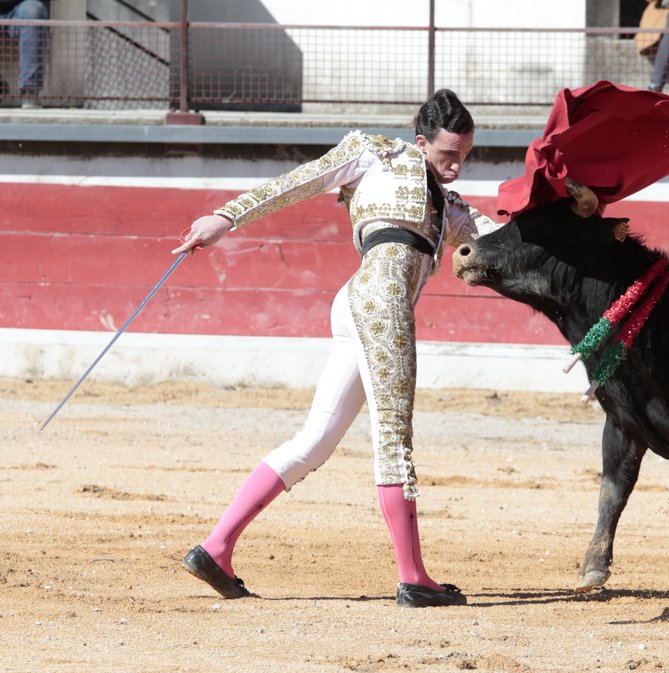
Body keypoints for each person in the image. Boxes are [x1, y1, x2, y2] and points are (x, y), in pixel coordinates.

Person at [173, 89, 501, 608]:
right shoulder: (376, 152)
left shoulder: (451, 206)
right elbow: (298, 181)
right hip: (382, 303)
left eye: (464, 155)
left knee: (316, 441)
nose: (457, 166)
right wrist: (224, 218)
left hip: (358, 303)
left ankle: (215, 548)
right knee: (393, 439)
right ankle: (414, 578)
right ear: (421, 142)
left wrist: (567, 223)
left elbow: (501, 240)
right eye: (447, 155)